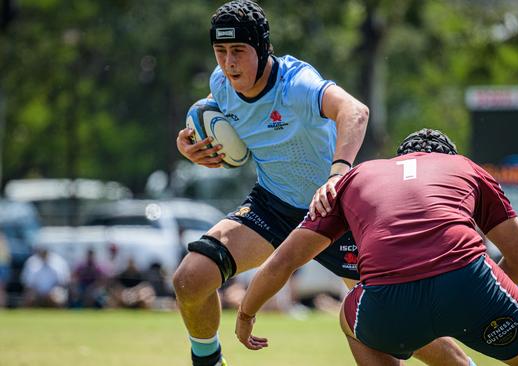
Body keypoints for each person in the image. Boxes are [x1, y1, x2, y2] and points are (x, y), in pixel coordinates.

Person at [173, 1, 473, 366]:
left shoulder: (297, 84)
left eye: (238, 51)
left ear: (263, 48)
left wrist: (337, 174)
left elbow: (355, 111)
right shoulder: (221, 84)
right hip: (273, 206)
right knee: (190, 277)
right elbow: (208, 114)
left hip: (337, 212)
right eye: (220, 52)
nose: (229, 62)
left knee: (397, 321)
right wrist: (188, 145)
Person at [235, 129, 518, 366]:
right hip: (470, 283)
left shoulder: (355, 177)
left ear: (400, 157)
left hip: (386, 304)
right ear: (446, 156)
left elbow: (283, 260)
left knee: (350, 321)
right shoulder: (464, 166)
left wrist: (246, 314)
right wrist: (475, 306)